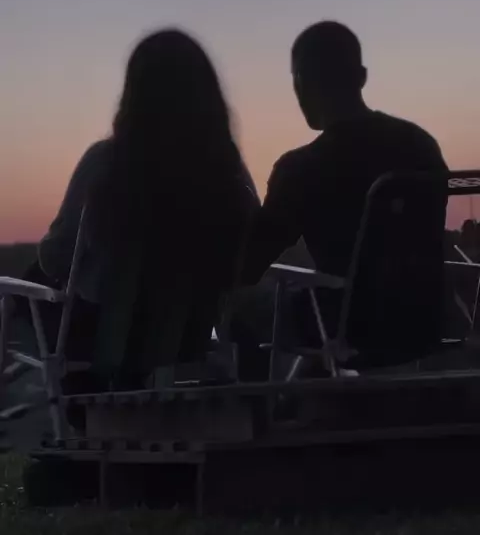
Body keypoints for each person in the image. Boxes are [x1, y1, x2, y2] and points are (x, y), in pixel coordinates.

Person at [28, 29, 259, 375]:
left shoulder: (105, 164)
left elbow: (57, 258)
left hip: (96, 362)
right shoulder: (229, 175)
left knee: (34, 278)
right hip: (189, 356)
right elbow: (248, 258)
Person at [236, 21, 448, 371]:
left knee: (240, 306)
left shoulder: (302, 167)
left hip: (351, 325)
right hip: (426, 321)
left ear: (300, 83)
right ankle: (313, 392)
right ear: (361, 77)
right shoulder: (422, 144)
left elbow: (247, 267)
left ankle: (257, 405)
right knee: (321, 303)